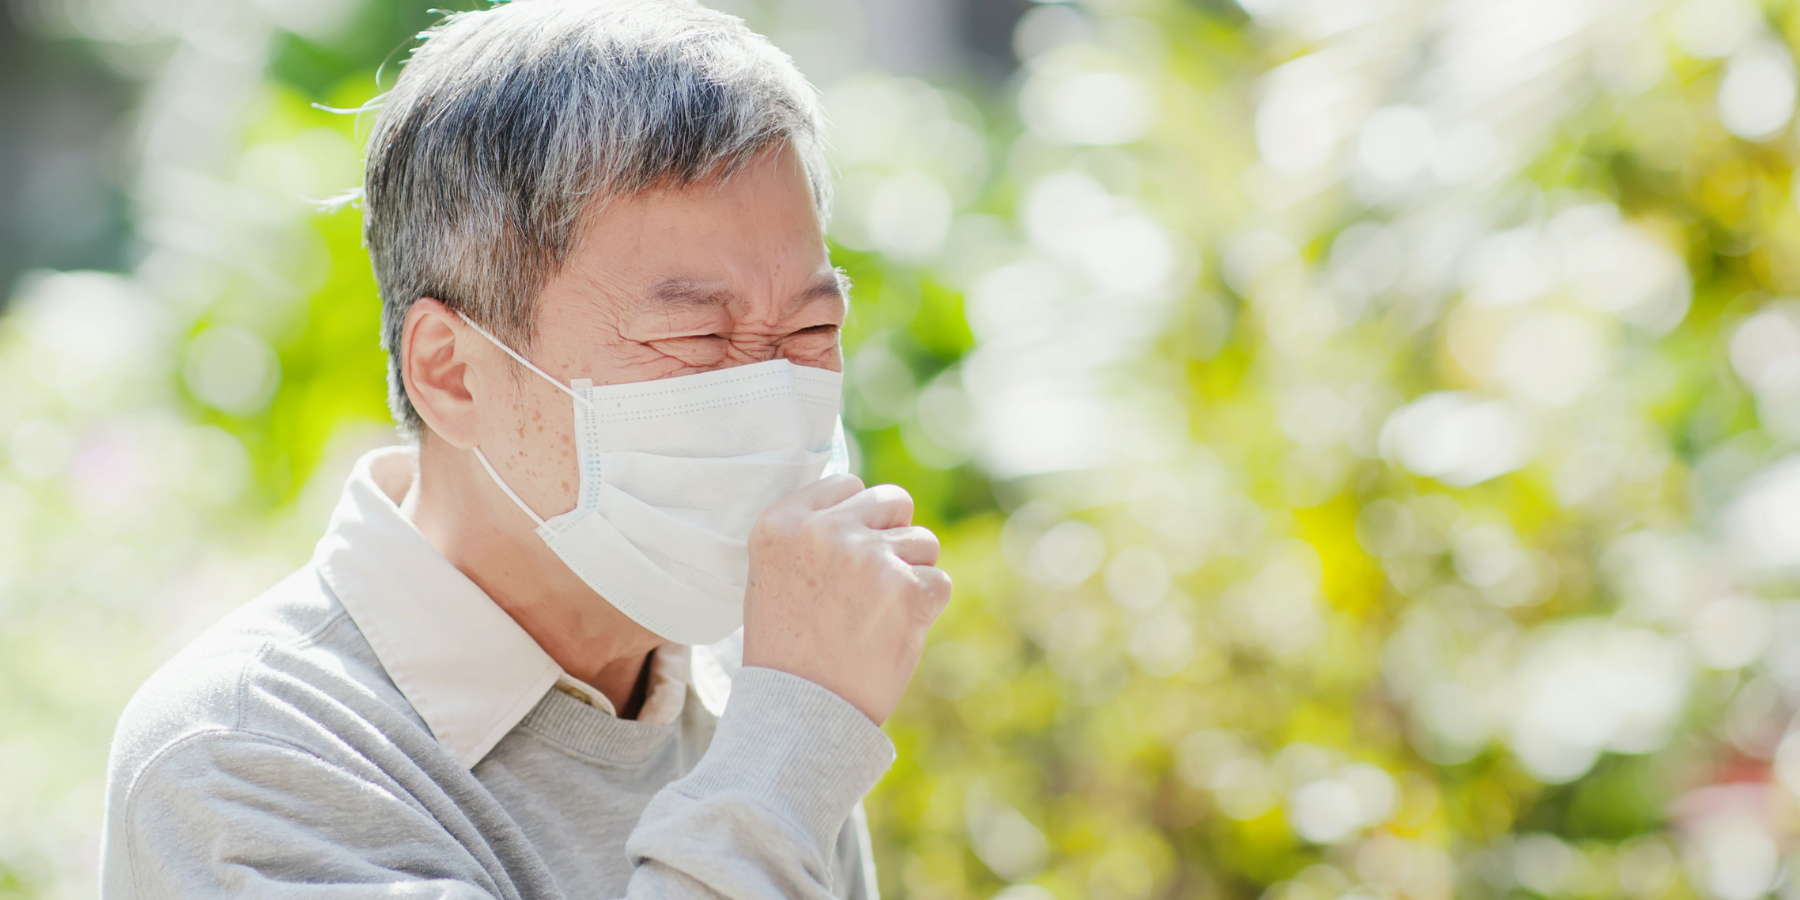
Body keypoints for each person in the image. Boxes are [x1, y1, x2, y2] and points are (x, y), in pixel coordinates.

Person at [98, 2, 953, 897]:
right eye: (697, 338)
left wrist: (786, 727)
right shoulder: (248, 762)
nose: (772, 391)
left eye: (813, 327)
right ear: (452, 372)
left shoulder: (754, 679)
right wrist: (791, 746)